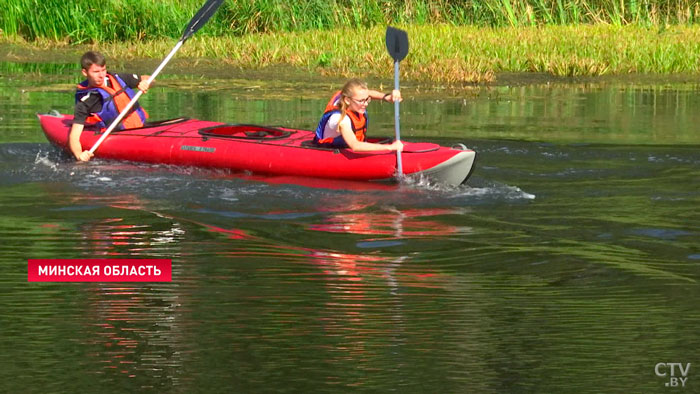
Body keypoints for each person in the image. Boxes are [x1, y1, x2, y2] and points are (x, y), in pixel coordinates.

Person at [69, 51, 152, 161]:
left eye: (103, 70)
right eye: (96, 72)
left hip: (143, 127)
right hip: (120, 137)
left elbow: (150, 78)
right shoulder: (85, 101)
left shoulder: (118, 78)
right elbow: (74, 136)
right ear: (85, 72)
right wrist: (79, 155)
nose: (101, 75)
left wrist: (146, 83)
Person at [314, 78, 403, 152]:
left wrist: (387, 97)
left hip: (348, 145)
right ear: (347, 100)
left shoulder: (351, 98)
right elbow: (355, 146)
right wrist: (390, 147)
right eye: (361, 101)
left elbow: (367, 93)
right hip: (329, 151)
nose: (366, 104)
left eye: (367, 99)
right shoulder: (340, 120)